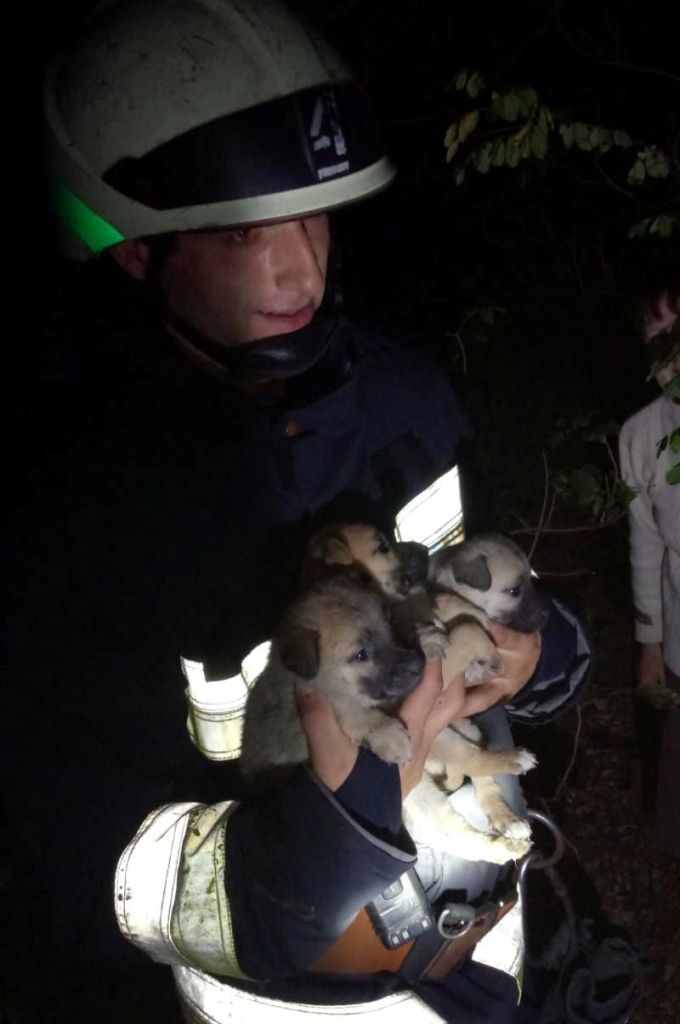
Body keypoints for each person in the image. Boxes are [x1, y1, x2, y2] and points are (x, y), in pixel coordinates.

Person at [0, 2, 595, 1022]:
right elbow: (80, 848)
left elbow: (494, 599)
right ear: (138, 251)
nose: (299, 273)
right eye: (241, 232)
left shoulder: (405, 403)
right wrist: (297, 865)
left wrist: (542, 654)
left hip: (482, 952)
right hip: (286, 999)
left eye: (312, 217)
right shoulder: (78, 511)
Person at [619, 275, 680, 857]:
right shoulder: (640, 435)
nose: (670, 354)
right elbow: (646, 545)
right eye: (656, 340)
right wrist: (651, 644)